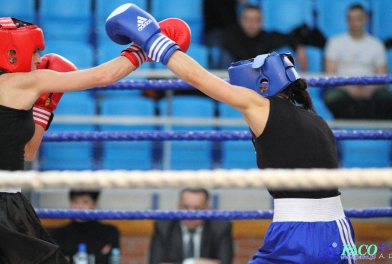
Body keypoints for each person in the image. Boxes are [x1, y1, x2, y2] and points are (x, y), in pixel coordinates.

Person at [105, 3, 356, 263]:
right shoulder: (317, 120)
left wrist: (153, 41)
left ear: (265, 83)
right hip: (336, 229)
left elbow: (198, 78)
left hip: (295, 231)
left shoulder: (261, 105)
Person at [0, 16, 189, 263]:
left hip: (10, 198)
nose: (38, 59)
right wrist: (143, 48)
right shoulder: (21, 83)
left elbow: (28, 152)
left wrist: (45, 104)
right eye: (35, 51)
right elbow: (102, 77)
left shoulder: (18, 89)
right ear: (12, 51)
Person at [323, 4, 392, 120]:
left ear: (366, 20)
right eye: (351, 19)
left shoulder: (376, 45)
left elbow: (383, 77)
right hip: (343, 89)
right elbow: (330, 75)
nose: (354, 22)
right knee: (332, 98)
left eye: (358, 18)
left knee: (390, 98)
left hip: (372, 89)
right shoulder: (334, 42)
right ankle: (343, 136)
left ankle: (387, 136)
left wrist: (369, 89)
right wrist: (350, 89)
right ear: (346, 21)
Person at [149, 188, 234, 264]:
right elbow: (155, 262)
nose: (190, 214)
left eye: (197, 209)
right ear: (179, 207)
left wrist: (191, 262)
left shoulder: (220, 227)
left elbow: (225, 262)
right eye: (186, 207)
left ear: (208, 209)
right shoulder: (164, 227)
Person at [219, 5, 308, 71]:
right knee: (225, 56)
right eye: (247, 20)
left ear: (262, 21)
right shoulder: (230, 36)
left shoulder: (267, 37)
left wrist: (299, 47)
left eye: (256, 20)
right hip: (234, 84)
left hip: (260, 83)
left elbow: (290, 38)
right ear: (241, 21)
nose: (251, 24)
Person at [49, 190, 119, 264]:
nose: (79, 207)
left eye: (85, 202)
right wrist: (94, 257)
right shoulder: (58, 233)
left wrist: (72, 259)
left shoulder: (109, 231)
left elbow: (109, 260)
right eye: (75, 202)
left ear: (95, 204)